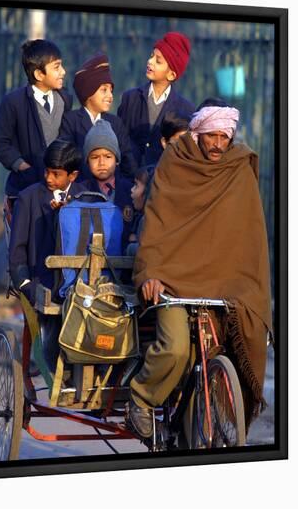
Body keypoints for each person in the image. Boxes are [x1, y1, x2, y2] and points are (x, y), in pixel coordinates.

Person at [125, 101, 272, 440]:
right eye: (212, 137)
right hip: (172, 280)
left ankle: (196, 420)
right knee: (175, 348)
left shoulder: (238, 166)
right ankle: (140, 399)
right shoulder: (174, 162)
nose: (218, 144)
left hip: (220, 281)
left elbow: (246, 232)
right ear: (198, 134)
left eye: (224, 137)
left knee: (225, 348)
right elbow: (159, 223)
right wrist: (151, 273)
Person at [0, 39, 72, 204]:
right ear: (39, 74)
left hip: (58, 191)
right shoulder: (14, 102)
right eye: (56, 67)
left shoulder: (66, 99)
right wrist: (21, 166)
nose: (63, 72)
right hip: (25, 189)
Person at [8, 139, 84, 305]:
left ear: (73, 175)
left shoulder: (85, 197)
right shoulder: (28, 198)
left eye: (56, 174)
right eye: (46, 172)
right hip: (40, 286)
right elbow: (17, 250)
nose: (49, 178)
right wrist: (26, 285)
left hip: (78, 288)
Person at [118, 32, 195, 167]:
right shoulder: (130, 99)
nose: (150, 61)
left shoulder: (186, 109)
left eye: (158, 61)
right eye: (151, 56)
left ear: (171, 75)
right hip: (129, 178)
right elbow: (121, 139)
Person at [59, 52, 136, 180]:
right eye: (104, 90)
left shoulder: (115, 123)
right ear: (88, 93)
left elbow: (127, 159)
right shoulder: (71, 121)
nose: (110, 96)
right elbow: (67, 158)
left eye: (111, 90)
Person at [82, 119, 134, 251]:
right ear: (87, 161)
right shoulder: (80, 192)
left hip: (125, 264)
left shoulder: (131, 191)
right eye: (94, 157)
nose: (101, 163)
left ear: (117, 160)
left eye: (107, 156)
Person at [125, 165, 155, 256]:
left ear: (149, 190)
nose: (132, 189)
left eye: (136, 185)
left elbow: (148, 252)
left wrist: (130, 249)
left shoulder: (148, 221)